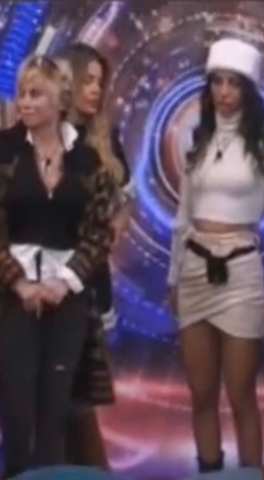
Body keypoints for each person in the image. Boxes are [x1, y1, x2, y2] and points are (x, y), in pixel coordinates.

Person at [167, 38, 264, 474]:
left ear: (248, 90)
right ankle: (210, 472)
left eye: (233, 83)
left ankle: (250, 474)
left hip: (241, 272)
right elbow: (183, 217)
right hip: (194, 269)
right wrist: (172, 276)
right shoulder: (198, 142)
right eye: (217, 82)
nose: (223, 92)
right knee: (201, 393)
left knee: (241, 394)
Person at [0, 55, 116, 477]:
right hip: (12, 299)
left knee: (56, 414)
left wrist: (65, 282)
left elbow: (100, 231)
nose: (25, 103)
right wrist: (20, 284)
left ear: (58, 100)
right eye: (22, 94)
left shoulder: (86, 160)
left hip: (67, 299)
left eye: (36, 94)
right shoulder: (5, 151)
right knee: (17, 413)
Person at [57, 41, 132, 469]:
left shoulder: (105, 140)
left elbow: (123, 204)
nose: (95, 91)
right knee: (59, 400)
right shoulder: (39, 136)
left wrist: (113, 226)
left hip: (88, 284)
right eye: (87, 80)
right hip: (42, 281)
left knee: (76, 399)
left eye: (99, 83)